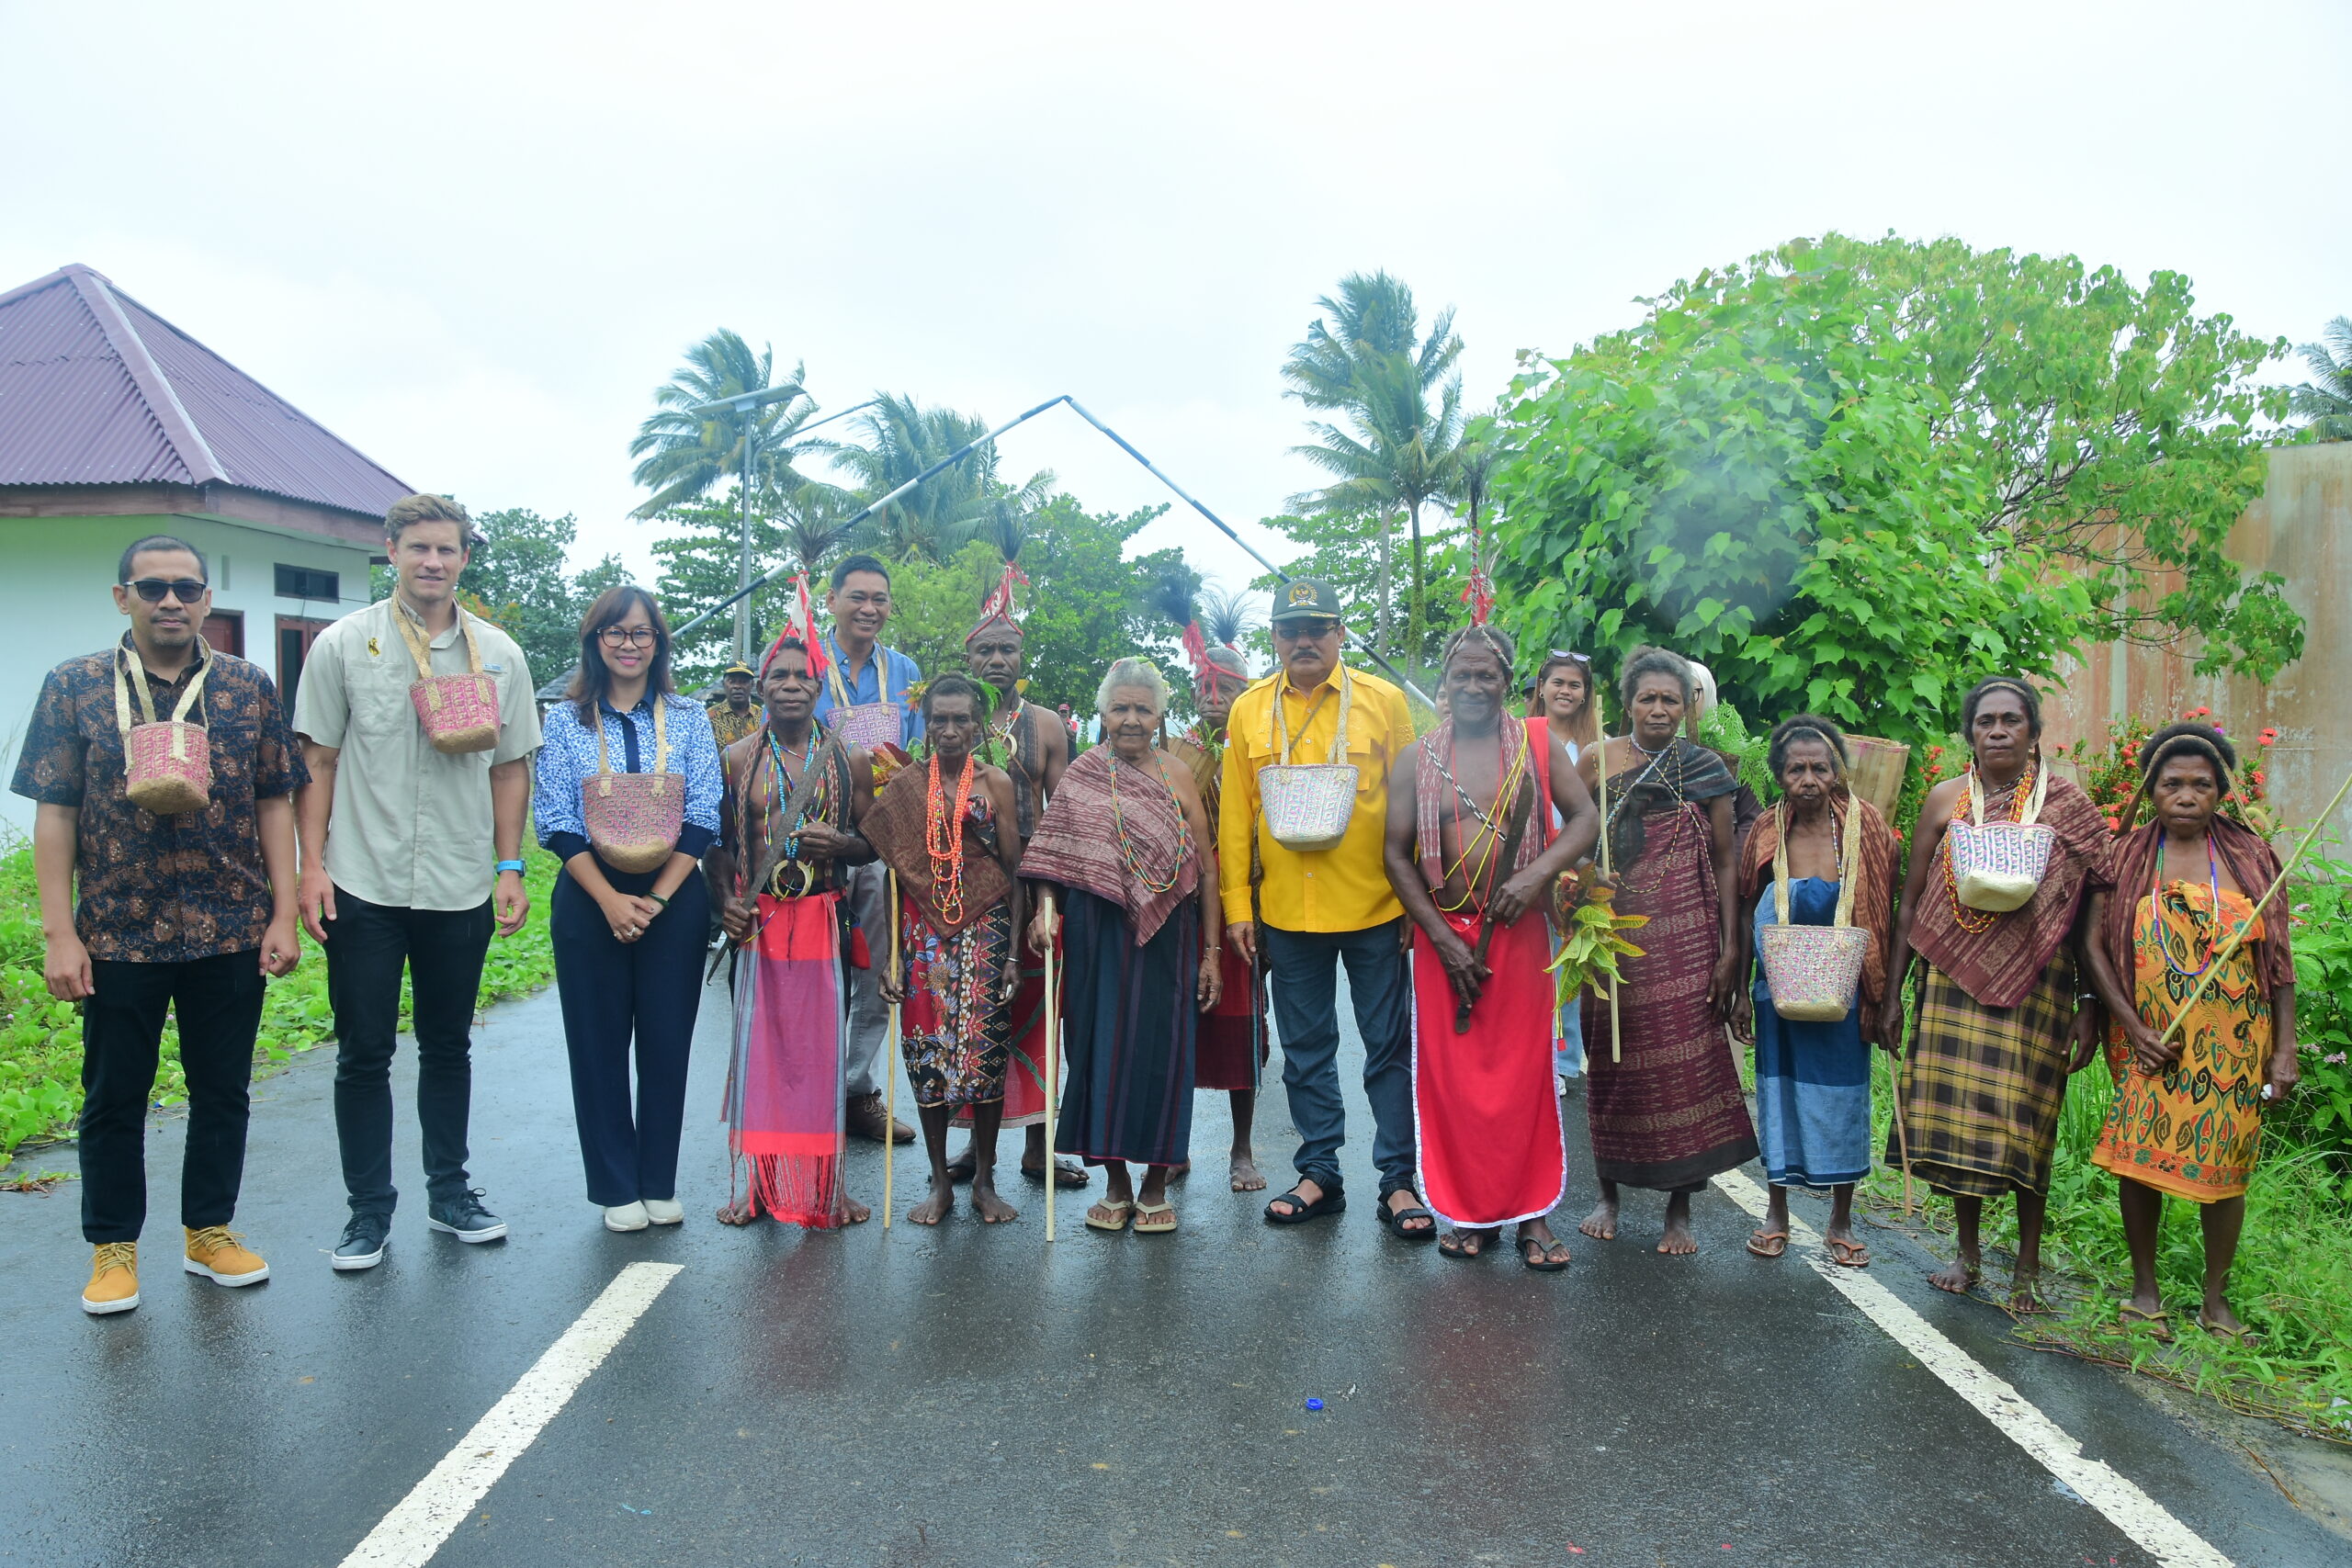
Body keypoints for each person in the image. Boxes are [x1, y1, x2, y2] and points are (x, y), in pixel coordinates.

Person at [14, 536, 304, 1314]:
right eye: (152, 588)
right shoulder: (75, 685)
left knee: (223, 1089)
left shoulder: (247, 686)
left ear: (207, 599)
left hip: (231, 925)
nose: (169, 600)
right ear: (123, 598)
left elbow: (274, 800)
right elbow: (56, 812)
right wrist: (59, 933)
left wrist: (284, 911)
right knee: (114, 1094)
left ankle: (209, 1231)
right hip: (116, 931)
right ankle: (113, 1248)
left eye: (185, 587)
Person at [293, 492, 542, 1270]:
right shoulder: (343, 645)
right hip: (362, 880)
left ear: (465, 557)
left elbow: (510, 766)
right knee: (363, 1052)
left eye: (447, 549)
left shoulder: (498, 653)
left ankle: (450, 1191)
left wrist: (509, 866)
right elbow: (319, 763)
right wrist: (311, 869)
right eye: (418, 548)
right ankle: (367, 1212)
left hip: (461, 880)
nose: (432, 562)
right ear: (390, 549)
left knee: (448, 1045)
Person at [1881, 677, 2111, 1308]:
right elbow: (1912, 903)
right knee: (1962, 1124)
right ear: (1971, 733)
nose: (1999, 730)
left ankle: (2028, 1266)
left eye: (2013, 720)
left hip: (2039, 988)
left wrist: (2090, 1005)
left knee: (2027, 1121)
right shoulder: (1945, 801)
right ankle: (1968, 1251)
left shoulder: (2065, 805)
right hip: (1952, 982)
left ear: (2034, 732)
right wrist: (1893, 994)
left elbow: (2095, 905)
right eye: (1986, 721)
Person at [1220, 580, 1432, 1238]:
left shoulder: (1383, 701)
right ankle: (1320, 1172)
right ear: (1275, 638)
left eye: (1317, 627)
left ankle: (1399, 1180)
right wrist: (1236, 904)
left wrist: (1413, 901)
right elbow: (1235, 815)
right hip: (1287, 909)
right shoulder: (1250, 710)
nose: (1303, 640)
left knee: (1388, 1046)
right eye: (1290, 629)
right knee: (1305, 1049)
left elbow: (1414, 803)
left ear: (1341, 631)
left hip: (1375, 904)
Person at [1385, 626, 1600, 1269]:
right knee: (1456, 1084)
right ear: (1445, 681)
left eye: (1488, 676)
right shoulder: (1417, 757)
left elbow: (1585, 818)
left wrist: (1536, 873)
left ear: (1509, 682)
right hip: (1444, 939)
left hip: (1520, 934)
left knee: (1523, 1077)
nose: (1475, 686)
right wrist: (1444, 939)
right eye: (1463, 675)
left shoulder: (1537, 744)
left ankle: (1532, 1218)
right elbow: (1395, 856)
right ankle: (1473, 1217)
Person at [2083, 723, 2298, 1339]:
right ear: (2151, 790)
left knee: (2227, 1164)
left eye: (2200, 784)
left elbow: (2280, 961)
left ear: (2221, 792)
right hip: (2147, 1039)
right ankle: (2144, 1291)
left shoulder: (2251, 857)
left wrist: (2283, 1049)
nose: (2185, 794)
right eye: (2171, 783)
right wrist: (2130, 1022)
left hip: (2234, 1042)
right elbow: (2092, 945)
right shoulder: (2123, 854)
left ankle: (2215, 1300)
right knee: (2138, 1159)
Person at [530, 587, 721, 1232]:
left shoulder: (691, 716)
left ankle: (658, 1179)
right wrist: (611, 900)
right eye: (615, 632)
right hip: (590, 896)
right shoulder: (563, 719)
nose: (629, 644)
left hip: (675, 895)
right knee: (597, 1043)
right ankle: (616, 1185)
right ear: (595, 641)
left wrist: (659, 898)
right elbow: (554, 818)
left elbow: (704, 814)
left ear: (658, 642)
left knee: (667, 1041)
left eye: (641, 632)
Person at [1023, 660, 1222, 1233]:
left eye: (1143, 709)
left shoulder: (1180, 774)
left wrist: (1211, 954)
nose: (1131, 720)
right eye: (1120, 708)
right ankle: (1115, 1182)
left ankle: (1156, 1184)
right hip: (1095, 933)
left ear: (1160, 715)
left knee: (1166, 1053)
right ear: (1103, 713)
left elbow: (1205, 870)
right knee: (1096, 1050)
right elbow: (1051, 857)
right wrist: (1045, 910)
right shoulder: (1083, 774)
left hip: (1169, 936)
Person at [1574, 647, 1757, 1255]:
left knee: (1685, 1070)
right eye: (1647, 698)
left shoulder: (1705, 768)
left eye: (1670, 699)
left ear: (1687, 707)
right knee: (1612, 1064)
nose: (1658, 708)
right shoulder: (1597, 761)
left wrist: (1731, 950)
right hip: (1613, 938)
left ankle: (1680, 1210)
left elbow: (1729, 861)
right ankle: (1609, 1195)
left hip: (1687, 936)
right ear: (1626, 704)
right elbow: (1575, 839)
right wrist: (1581, 890)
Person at [704, 631, 879, 1229]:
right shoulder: (737, 759)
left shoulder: (848, 757)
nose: (790, 684)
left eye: (802, 675)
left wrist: (841, 843)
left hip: (824, 919)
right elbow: (717, 847)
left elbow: (872, 841)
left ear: (820, 684)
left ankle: (828, 1184)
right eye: (777, 675)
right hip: (761, 925)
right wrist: (724, 901)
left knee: (822, 1056)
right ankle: (758, 1183)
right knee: (762, 1056)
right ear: (759, 686)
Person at [1731, 716, 1899, 1268]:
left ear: (1836, 774)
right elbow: (1740, 910)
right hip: (1776, 990)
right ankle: (1776, 1213)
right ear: (1779, 775)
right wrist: (1737, 991)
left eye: (1819, 767)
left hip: (1844, 992)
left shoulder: (1865, 828)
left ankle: (1840, 1220)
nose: (1808, 778)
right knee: (1777, 1096)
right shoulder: (1764, 831)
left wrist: (1887, 997)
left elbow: (1885, 911)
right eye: (1796, 768)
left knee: (1842, 1099)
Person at [866, 675, 1027, 1225]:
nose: (951, 730)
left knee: (983, 1054)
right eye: (940, 720)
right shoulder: (906, 785)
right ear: (926, 723)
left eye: (962, 720)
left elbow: (1014, 871)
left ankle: (983, 1179)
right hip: (920, 936)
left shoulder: (997, 782)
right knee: (925, 1054)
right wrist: (891, 957)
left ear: (979, 726)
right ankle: (940, 1181)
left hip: (987, 928)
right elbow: (895, 879)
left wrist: (1012, 956)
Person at [947, 570, 1083, 1190]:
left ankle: (1037, 1146)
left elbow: (1063, 818)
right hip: (967, 887)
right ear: (968, 656)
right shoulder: (951, 723)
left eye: (1007, 649)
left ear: (1021, 656)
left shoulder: (1048, 726)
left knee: (1036, 1010)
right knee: (975, 1012)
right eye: (986, 649)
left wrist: (1050, 900)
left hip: (1034, 881)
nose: (997, 659)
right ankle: (979, 1154)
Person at [815, 553, 921, 1147]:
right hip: (816, 844)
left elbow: (922, 756)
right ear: (831, 601)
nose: (870, 608)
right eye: (857, 596)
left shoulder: (904, 670)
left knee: (880, 970)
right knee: (817, 970)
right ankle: (809, 1092)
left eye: (880, 598)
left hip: (883, 845)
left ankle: (856, 1092)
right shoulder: (803, 663)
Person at [1168, 642, 1270, 1191]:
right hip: (1182, 906)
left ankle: (1242, 1149)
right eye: (1204, 689)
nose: (1212, 699)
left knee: (1241, 1028)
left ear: (1244, 693)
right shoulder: (1174, 753)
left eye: (1224, 689)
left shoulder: (1257, 747)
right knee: (1179, 1028)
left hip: (1243, 908)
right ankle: (1174, 1145)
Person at [1532, 650, 1599, 1084]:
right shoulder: (1523, 736)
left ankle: (1565, 1061)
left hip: (1575, 869)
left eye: (1575, 685)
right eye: (1558, 682)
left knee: (1570, 964)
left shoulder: (1595, 748)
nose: (1565, 690)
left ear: (1585, 695)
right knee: (1531, 965)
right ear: (1541, 688)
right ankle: (1531, 1056)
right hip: (1529, 867)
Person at [706, 662, 762, 750]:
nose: (737, 686)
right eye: (732, 681)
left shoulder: (762, 716)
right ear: (723, 684)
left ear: (752, 685)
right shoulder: (709, 717)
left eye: (743, 682)